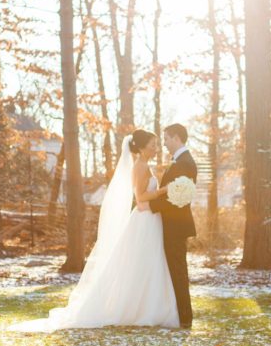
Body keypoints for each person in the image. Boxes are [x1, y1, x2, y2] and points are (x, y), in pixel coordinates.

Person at [13, 129, 180, 331]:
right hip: (144, 220)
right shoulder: (139, 167)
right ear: (142, 147)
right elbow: (141, 197)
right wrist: (165, 190)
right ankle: (141, 309)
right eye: (153, 144)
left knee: (149, 262)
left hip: (150, 219)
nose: (156, 148)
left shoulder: (146, 165)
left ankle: (150, 307)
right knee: (143, 262)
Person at [149, 123, 198, 328]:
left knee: (177, 270)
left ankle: (185, 317)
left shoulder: (185, 163)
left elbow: (175, 199)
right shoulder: (179, 161)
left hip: (176, 226)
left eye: (167, 139)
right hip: (172, 225)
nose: (165, 144)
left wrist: (148, 205)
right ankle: (179, 314)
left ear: (177, 138)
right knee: (174, 269)